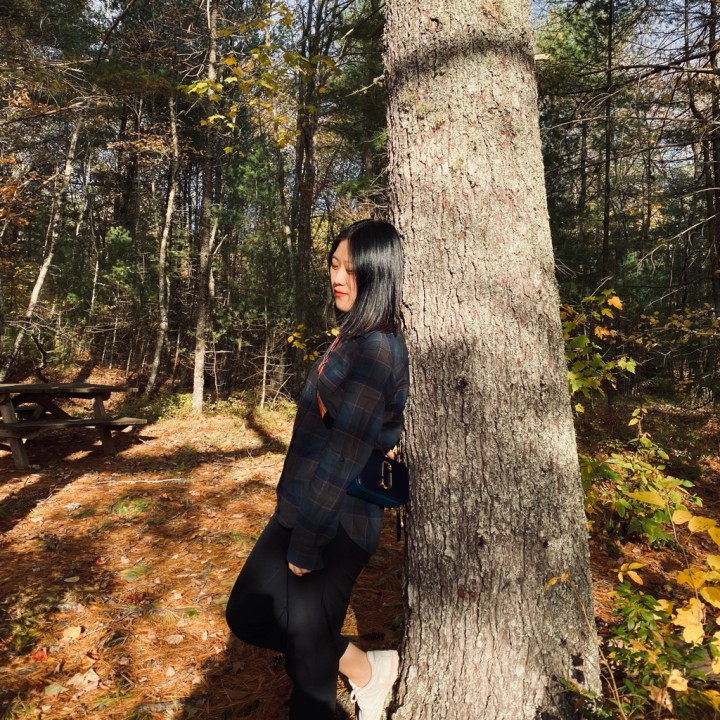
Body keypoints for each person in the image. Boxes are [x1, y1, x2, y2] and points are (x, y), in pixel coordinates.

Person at [226, 219, 410, 720]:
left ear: (379, 275)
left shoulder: (376, 348)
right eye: (334, 265)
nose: (338, 277)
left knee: (308, 678)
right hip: (303, 506)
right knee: (247, 613)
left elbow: (345, 452)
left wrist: (307, 544)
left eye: (352, 269)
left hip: (334, 524)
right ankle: (368, 670)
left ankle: (363, 677)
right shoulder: (353, 337)